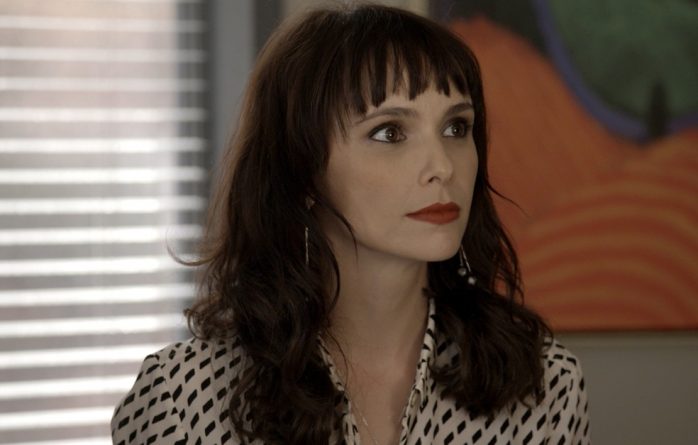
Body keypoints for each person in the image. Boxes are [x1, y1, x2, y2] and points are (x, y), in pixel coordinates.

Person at [111, 3, 590, 444]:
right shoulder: (182, 400)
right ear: (303, 171)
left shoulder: (544, 386)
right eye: (390, 132)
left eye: (456, 127)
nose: (443, 166)